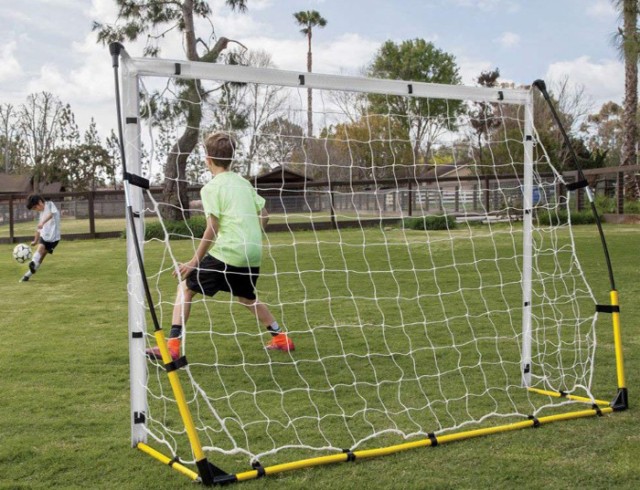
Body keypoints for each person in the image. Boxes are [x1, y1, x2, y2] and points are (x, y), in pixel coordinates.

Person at [146, 132, 294, 361]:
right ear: (231, 158)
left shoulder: (211, 188)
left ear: (208, 159)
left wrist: (194, 261)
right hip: (251, 253)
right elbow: (265, 215)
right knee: (246, 298)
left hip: (229, 252)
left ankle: (173, 346)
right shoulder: (243, 183)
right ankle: (281, 337)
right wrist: (251, 233)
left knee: (185, 287)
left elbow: (212, 228)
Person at [20, 194, 61, 283]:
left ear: (40, 202)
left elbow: (51, 215)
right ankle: (32, 265)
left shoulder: (50, 204)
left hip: (54, 238)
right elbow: (39, 228)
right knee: (40, 248)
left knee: (41, 257)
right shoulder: (41, 213)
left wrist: (42, 222)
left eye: (35, 208)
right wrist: (35, 240)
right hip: (44, 237)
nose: (36, 210)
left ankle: (28, 274)